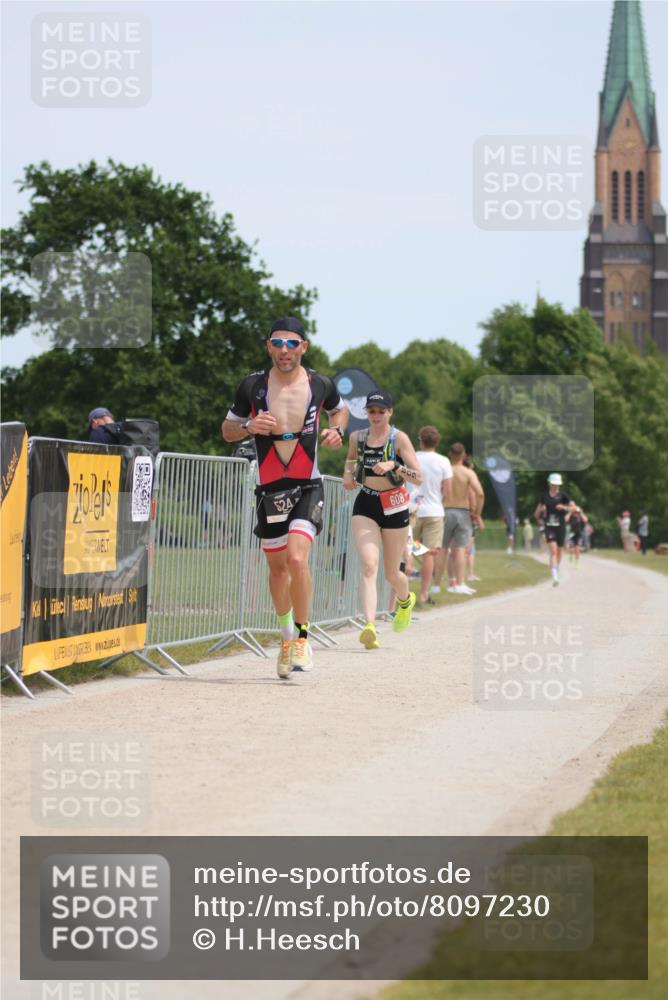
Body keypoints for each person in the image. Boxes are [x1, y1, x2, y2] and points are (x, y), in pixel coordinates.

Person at [222, 316, 348, 679]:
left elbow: (340, 410)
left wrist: (337, 430)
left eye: (292, 344)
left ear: (303, 348)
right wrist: (247, 426)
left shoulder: (320, 384)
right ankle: (286, 635)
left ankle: (304, 638)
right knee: (277, 570)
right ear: (268, 346)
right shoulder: (252, 387)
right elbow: (227, 429)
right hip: (269, 488)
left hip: (308, 484)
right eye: (277, 343)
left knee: (297, 559)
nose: (284, 351)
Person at [342, 390, 422, 650]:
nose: (376, 416)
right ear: (366, 412)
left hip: (395, 504)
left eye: (381, 411)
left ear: (390, 412)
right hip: (366, 501)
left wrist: (395, 466)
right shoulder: (357, 436)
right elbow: (352, 459)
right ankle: (369, 626)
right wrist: (347, 474)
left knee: (391, 573)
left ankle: (405, 599)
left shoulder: (399, 439)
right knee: (368, 565)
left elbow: (417, 477)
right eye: (371, 411)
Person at [412, 426, 453, 604]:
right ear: (437, 442)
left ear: (420, 440)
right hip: (434, 510)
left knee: (404, 550)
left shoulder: (412, 456)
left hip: (412, 508)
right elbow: (448, 490)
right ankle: (423, 594)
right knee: (429, 554)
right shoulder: (443, 461)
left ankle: (398, 595)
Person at [442, 443, 484, 595]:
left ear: (449, 454)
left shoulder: (445, 471)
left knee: (444, 549)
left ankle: (446, 582)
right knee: (460, 549)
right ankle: (460, 583)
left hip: (445, 510)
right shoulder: (468, 473)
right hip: (462, 512)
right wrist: (477, 514)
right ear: (464, 455)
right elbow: (479, 494)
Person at [533, 473, 571, 586]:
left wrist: (564, 507)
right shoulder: (544, 496)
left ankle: (556, 568)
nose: (556, 487)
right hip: (549, 527)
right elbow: (536, 513)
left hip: (561, 527)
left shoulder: (563, 496)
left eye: (557, 485)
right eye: (554, 484)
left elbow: (574, 508)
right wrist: (539, 516)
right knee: (553, 551)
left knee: (559, 552)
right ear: (550, 484)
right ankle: (554, 577)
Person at [566, 502, 588, 567]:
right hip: (572, 534)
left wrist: (581, 512)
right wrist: (570, 512)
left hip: (579, 534)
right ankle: (571, 554)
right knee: (572, 549)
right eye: (575, 512)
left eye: (577, 512)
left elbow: (586, 520)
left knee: (577, 548)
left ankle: (577, 562)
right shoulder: (571, 517)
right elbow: (566, 519)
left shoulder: (581, 517)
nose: (576, 513)